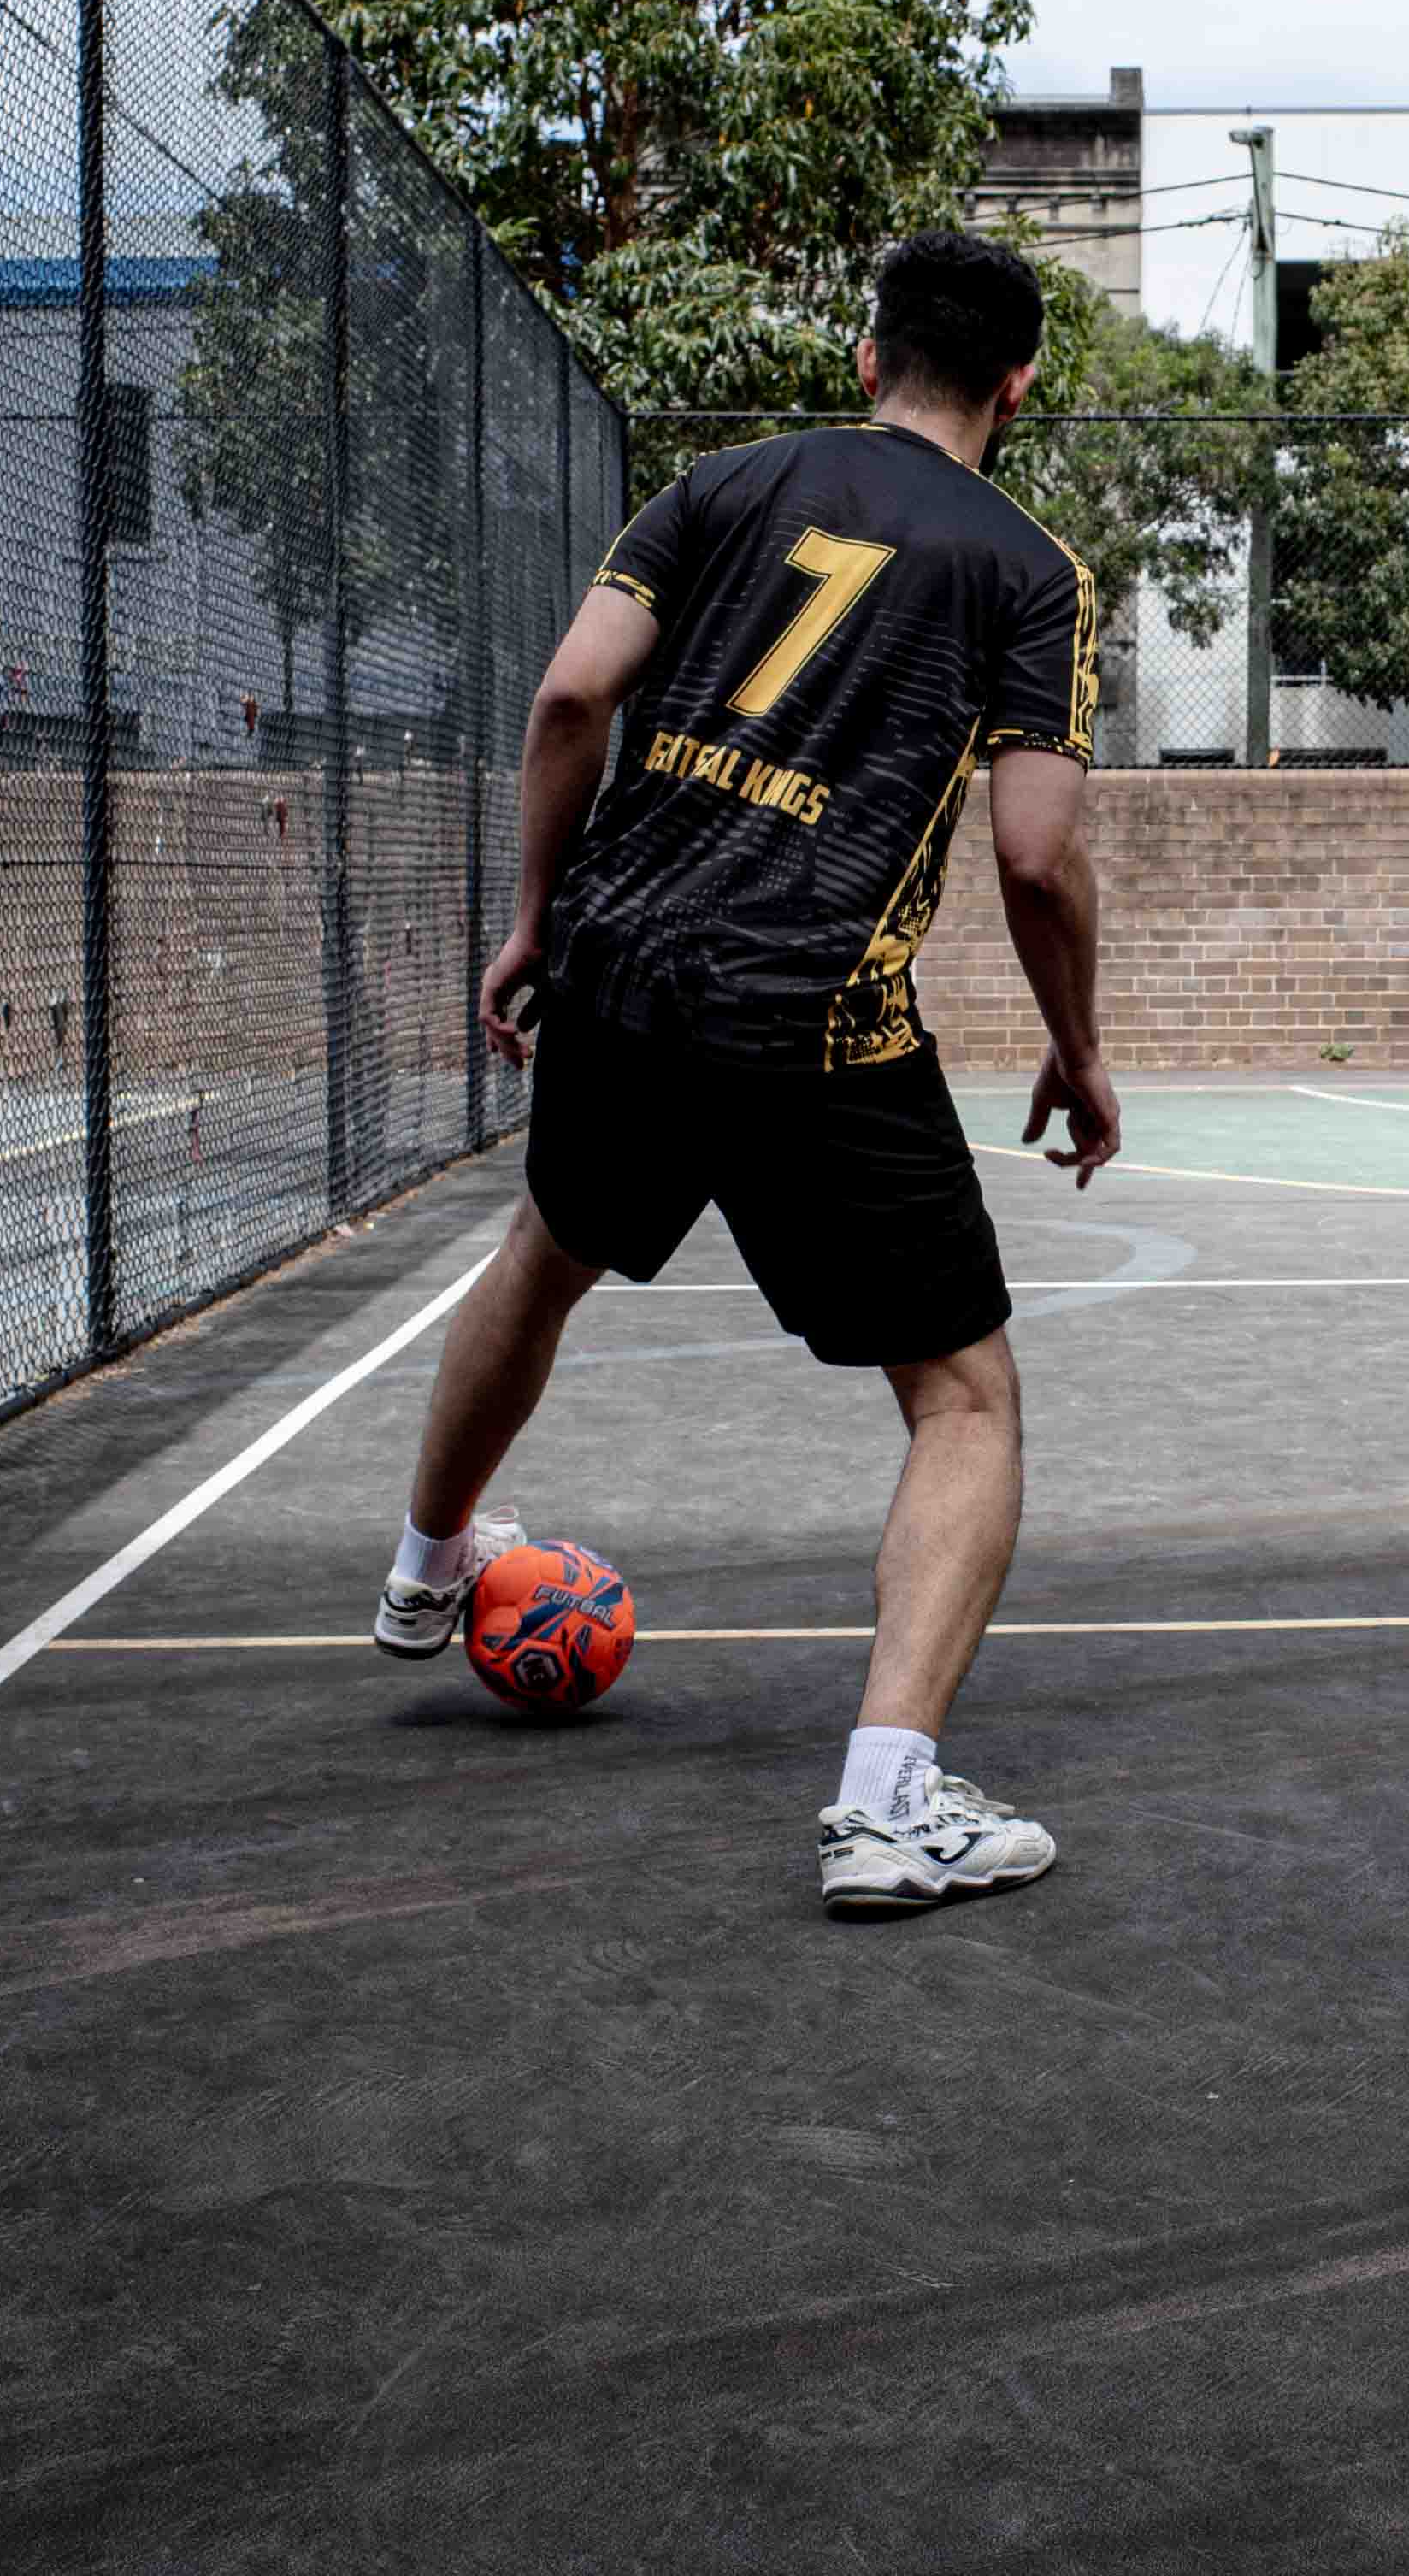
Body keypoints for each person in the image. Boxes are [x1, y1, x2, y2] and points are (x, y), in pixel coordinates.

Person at [371, 230, 1122, 1918]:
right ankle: (887, 1805)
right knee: (964, 1399)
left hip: (624, 969)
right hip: (814, 1017)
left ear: (868, 359)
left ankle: (425, 1569)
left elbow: (572, 696)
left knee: (545, 1252)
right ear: (1016, 388)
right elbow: (1037, 854)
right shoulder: (1029, 570)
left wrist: (538, 917)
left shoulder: (720, 483)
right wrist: (1078, 1048)